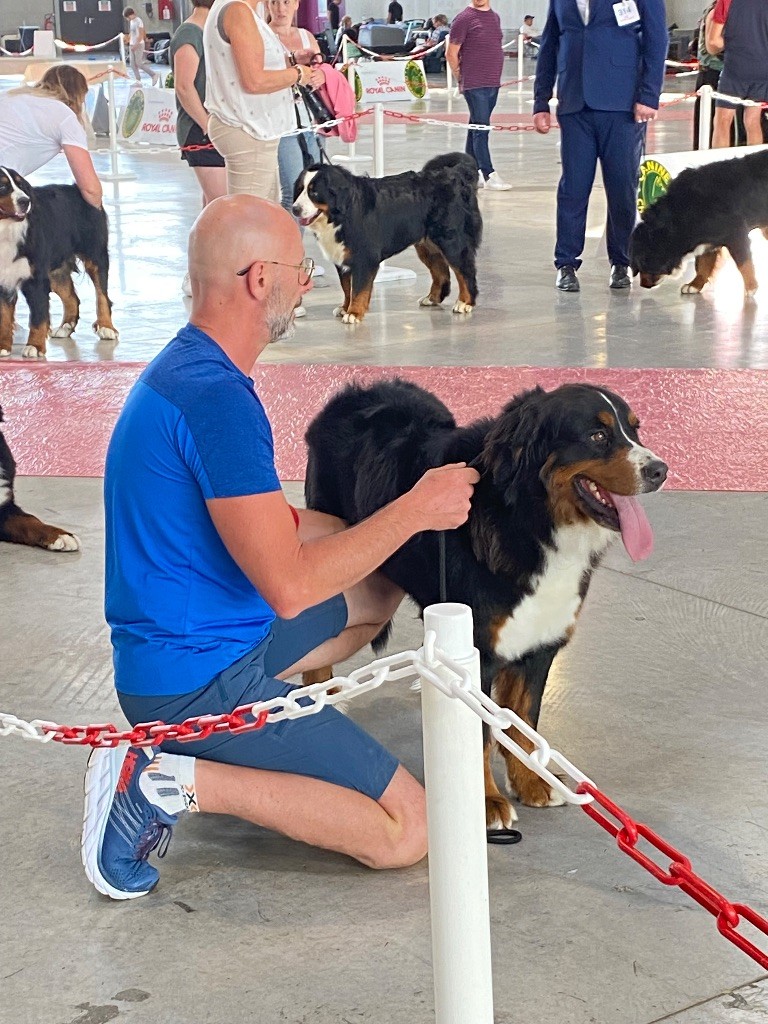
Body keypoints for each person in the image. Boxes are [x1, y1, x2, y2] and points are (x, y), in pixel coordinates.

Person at [80, 194, 479, 900]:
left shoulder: (190, 370)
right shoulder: (219, 404)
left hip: (193, 648)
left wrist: (387, 523)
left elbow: (279, 526)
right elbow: (290, 586)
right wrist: (416, 510)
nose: (310, 285)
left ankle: (244, 746)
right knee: (408, 830)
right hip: (195, 687)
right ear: (261, 279)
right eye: (301, 271)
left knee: (375, 592)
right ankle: (169, 780)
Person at [532, 0, 667, 292]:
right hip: (574, 102)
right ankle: (566, 263)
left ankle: (622, 260)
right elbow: (550, 43)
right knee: (573, 187)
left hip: (622, 105)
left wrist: (649, 95)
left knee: (621, 187)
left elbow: (657, 38)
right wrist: (541, 100)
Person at [203, 0, 314, 198]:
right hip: (248, 128)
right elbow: (254, 81)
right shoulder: (238, 11)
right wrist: (298, 74)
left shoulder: (241, 10)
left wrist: (290, 60)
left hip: (253, 128)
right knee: (250, 213)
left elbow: (249, 63)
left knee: (263, 210)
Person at [170, 0, 228, 297]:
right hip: (200, 132)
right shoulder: (190, 33)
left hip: (218, 128)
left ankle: (206, 272)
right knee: (220, 207)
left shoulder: (211, 30)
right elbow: (184, 86)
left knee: (212, 207)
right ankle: (198, 273)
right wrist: (207, 125)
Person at [0, 65, 102, 209]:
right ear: (78, 96)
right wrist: (97, 212)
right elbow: (90, 189)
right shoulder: (65, 117)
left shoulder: (9, 95)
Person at [446, 0, 512, 191]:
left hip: (492, 82)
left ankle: (469, 173)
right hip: (475, 84)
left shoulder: (494, 17)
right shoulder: (464, 19)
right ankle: (488, 173)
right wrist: (461, 77)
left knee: (476, 125)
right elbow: (451, 53)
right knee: (481, 128)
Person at [706, 0, 768, 148]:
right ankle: (755, 163)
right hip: (763, 69)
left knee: (723, 120)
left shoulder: (726, 1)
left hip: (735, 69)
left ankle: (721, 162)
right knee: (752, 121)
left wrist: (731, 40)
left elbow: (713, 43)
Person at [692, 2, 724, 148]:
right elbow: (713, 44)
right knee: (709, 128)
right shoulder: (717, 10)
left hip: (714, 72)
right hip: (713, 73)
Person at [123, 6, 161, 87]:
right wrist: (128, 40)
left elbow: (140, 34)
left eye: (127, 17)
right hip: (132, 44)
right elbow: (132, 32)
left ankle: (153, 74)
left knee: (139, 63)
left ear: (131, 14)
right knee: (132, 64)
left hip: (139, 44)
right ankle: (138, 80)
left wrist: (136, 45)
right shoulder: (132, 21)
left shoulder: (138, 21)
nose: (127, 19)